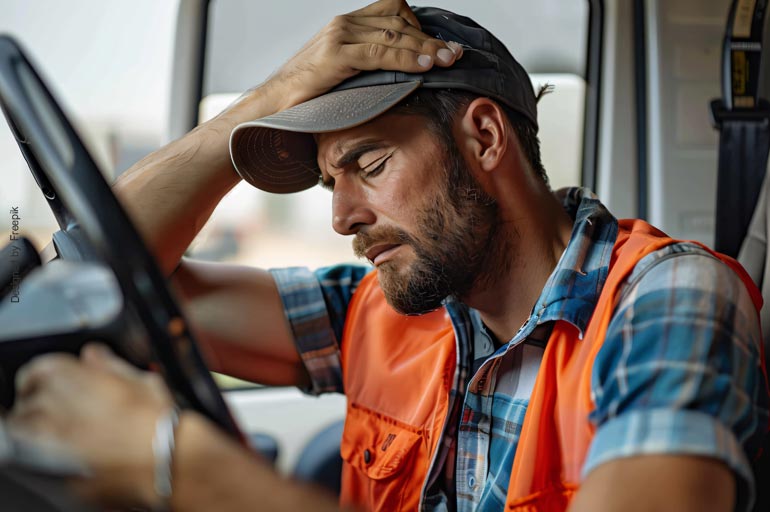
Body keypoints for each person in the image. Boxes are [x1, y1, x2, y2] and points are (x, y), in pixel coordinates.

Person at [7, 1, 770, 511]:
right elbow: (102, 273)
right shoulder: (380, 309)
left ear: (483, 138)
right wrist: (264, 101)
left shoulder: (669, 299)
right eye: (329, 182)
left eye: (368, 167)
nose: (341, 216)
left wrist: (182, 467)